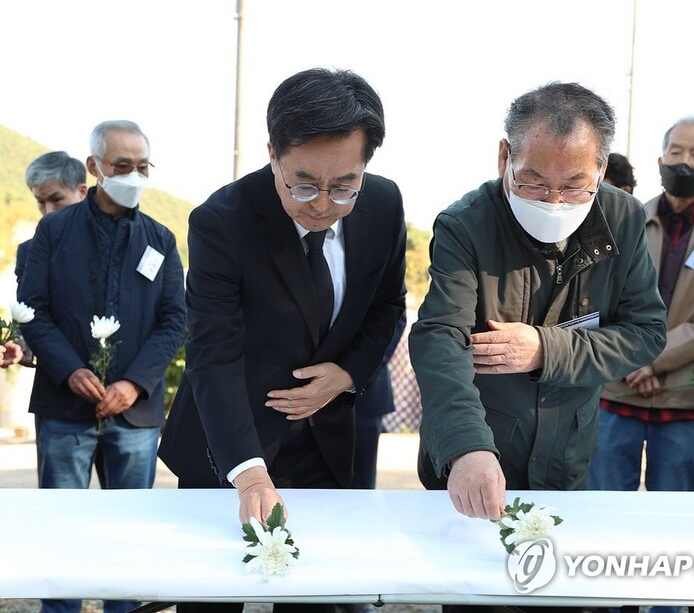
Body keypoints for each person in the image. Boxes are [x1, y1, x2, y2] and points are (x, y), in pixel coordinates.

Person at [158, 68, 406, 613]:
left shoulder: (383, 205)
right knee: (212, 595)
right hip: (228, 444)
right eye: (302, 183)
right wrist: (246, 474)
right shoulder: (223, 221)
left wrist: (347, 373)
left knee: (316, 592)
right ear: (272, 152)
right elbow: (213, 351)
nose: (322, 203)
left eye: (344, 185)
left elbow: (388, 307)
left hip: (324, 444)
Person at [409, 81, 668, 535]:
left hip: (567, 454)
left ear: (601, 169)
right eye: (533, 183)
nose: (553, 202)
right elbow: (439, 339)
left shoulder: (623, 219)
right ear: (504, 158)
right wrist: (467, 448)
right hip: (477, 454)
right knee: (473, 588)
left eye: (574, 187)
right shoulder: (465, 224)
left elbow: (646, 331)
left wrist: (548, 349)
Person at [18, 120, 186, 613]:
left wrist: (135, 382)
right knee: (63, 526)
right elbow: (34, 309)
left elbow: (175, 319)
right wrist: (69, 369)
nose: (133, 176)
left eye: (141, 168)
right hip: (64, 407)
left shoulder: (161, 239)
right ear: (94, 168)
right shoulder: (53, 231)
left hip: (134, 415)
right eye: (121, 167)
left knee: (129, 533)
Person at [589, 117, 694, 495]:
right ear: (660, 162)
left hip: (683, 399)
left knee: (674, 522)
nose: (684, 161)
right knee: (604, 515)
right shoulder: (621, 221)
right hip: (616, 391)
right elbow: (598, 297)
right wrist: (632, 358)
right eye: (676, 151)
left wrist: (653, 360)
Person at [14, 151, 89, 368]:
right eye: (40, 202)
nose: (48, 212)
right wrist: (24, 341)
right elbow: (27, 310)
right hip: (55, 378)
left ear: (82, 192)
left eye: (56, 200)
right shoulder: (28, 252)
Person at [352, 311, 406, 489]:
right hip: (307, 398)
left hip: (366, 397)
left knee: (361, 483)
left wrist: (357, 373)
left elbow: (395, 320)